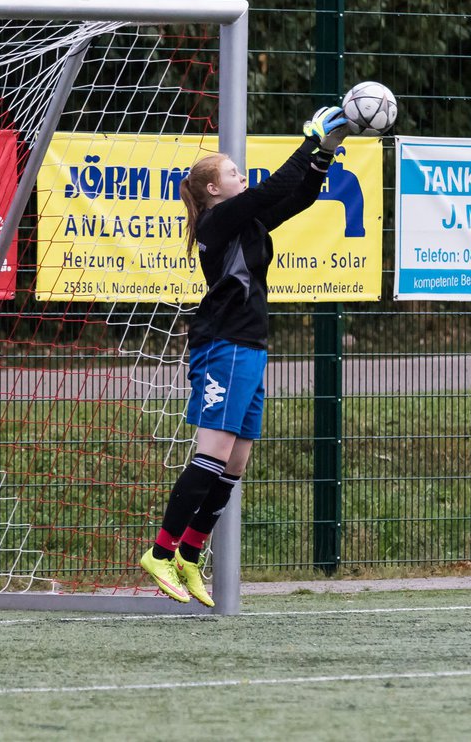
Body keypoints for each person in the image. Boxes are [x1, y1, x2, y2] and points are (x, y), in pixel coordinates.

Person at [138, 104, 350, 606]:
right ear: (214, 189)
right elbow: (273, 189)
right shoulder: (218, 220)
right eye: (233, 172)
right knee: (211, 454)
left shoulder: (245, 223)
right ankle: (160, 552)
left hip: (250, 348)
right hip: (224, 347)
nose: (241, 176)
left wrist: (323, 155)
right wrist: (309, 140)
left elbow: (296, 198)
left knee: (235, 461)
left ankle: (190, 555)